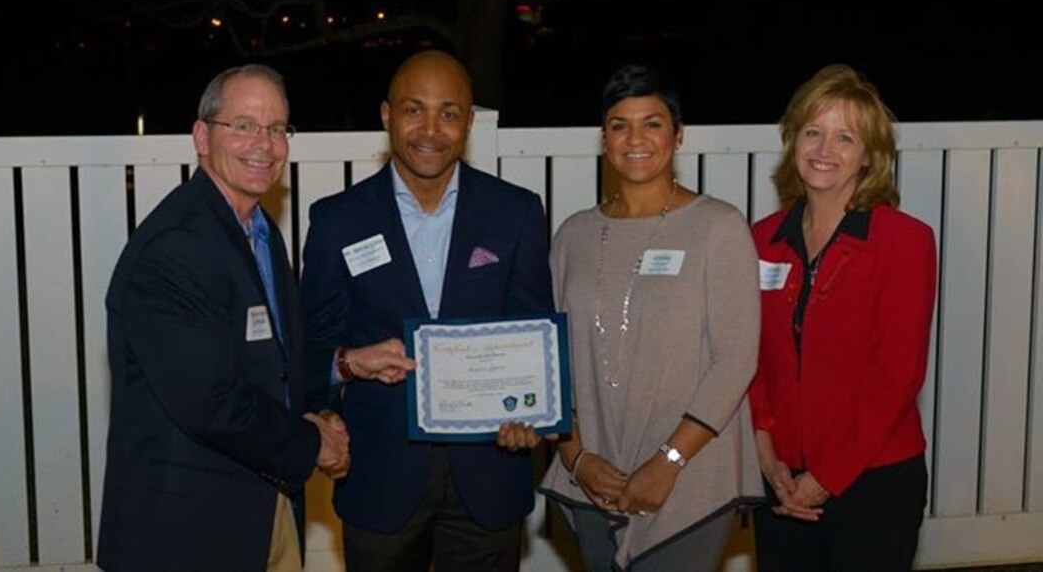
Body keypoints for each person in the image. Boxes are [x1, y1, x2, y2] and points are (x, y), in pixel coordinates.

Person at [299, 50, 553, 572]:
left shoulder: (517, 213)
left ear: (469, 124)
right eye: (414, 110)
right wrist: (326, 409)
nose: (430, 129)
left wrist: (532, 413)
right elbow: (313, 350)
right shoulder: (337, 221)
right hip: (378, 474)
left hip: (490, 473)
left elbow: (532, 334)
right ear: (387, 115)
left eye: (449, 112)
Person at [97, 64, 349, 572]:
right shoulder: (175, 249)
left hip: (260, 507)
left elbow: (269, 365)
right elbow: (212, 402)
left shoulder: (257, 230)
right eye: (244, 125)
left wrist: (336, 376)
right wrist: (312, 442)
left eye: (278, 128)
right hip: (187, 533)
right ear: (200, 136)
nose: (265, 143)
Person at [538, 64, 764, 571]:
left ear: (678, 135)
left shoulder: (718, 227)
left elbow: (735, 360)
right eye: (620, 125)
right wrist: (576, 457)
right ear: (604, 138)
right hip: (593, 471)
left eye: (652, 123)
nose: (635, 138)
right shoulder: (573, 236)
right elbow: (549, 361)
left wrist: (668, 463)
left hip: (688, 474)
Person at [748, 64, 937, 571]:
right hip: (781, 478)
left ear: (868, 156)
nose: (824, 150)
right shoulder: (761, 239)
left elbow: (898, 376)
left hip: (873, 480)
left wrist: (825, 478)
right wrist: (767, 458)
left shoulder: (905, 241)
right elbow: (750, 358)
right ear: (793, 142)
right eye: (813, 132)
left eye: (844, 137)